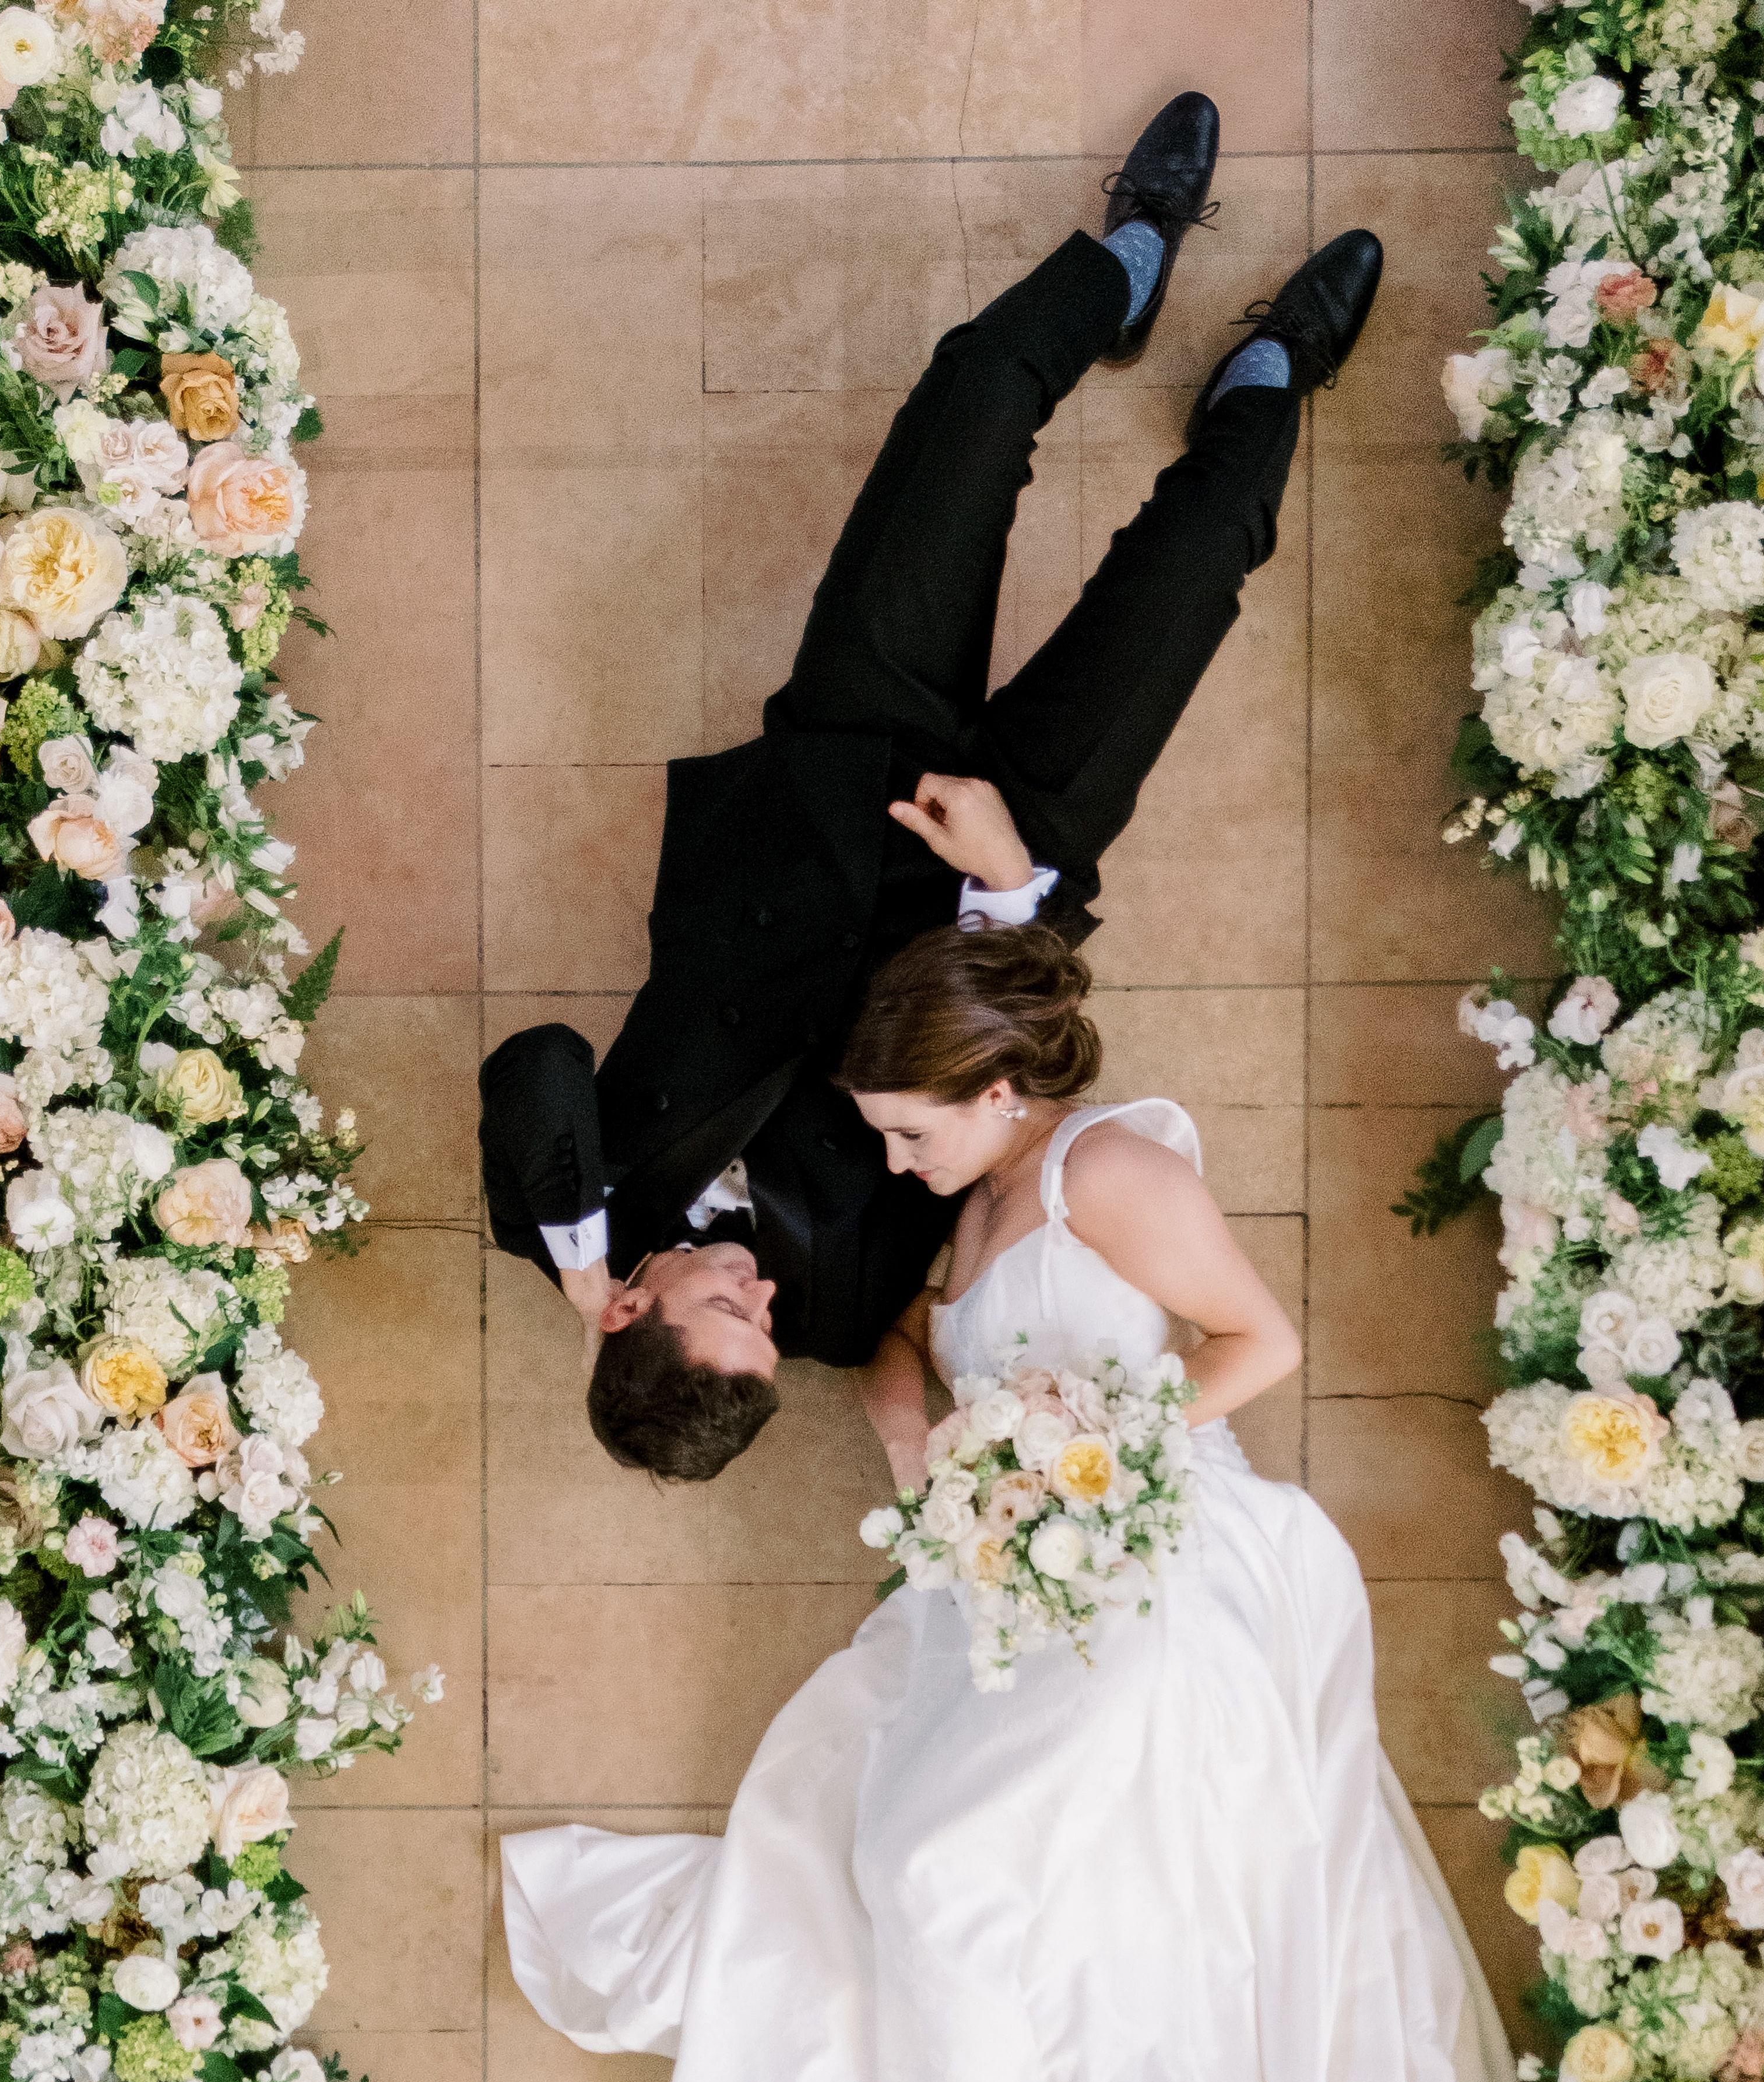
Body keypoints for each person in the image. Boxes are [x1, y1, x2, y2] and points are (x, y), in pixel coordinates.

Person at [499, 922, 1583, 2082]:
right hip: (1028, 1551)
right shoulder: (979, 1203)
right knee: (911, 1844)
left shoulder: (1113, 1173)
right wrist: (929, 1445)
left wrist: (1086, 1461)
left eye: (910, 1134)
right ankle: (1020, 2071)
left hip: (1151, 1550)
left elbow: (1259, 1348)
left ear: (997, 1099)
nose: (891, 1164)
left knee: (946, 1860)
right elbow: (916, 1357)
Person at [476, 86, 1387, 1480]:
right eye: (764, 1331)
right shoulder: (842, 1312)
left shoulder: (569, 1203)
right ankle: (1270, 377)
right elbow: (986, 1110)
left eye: (724, 1308)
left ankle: (1127, 260)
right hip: (1007, 861)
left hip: (838, 768)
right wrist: (1007, 884)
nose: (761, 1298)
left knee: (969, 402)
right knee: (1196, 564)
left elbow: (536, 1062)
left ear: (629, 1308)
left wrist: (575, 1250)